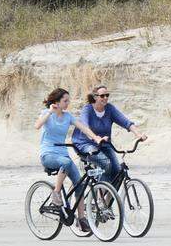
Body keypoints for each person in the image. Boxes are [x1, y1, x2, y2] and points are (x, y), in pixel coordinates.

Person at [36, 88, 107, 234]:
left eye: (68, 100)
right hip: (48, 154)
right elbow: (37, 126)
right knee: (66, 163)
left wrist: (97, 138)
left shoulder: (68, 117)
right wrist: (50, 111)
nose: (68, 103)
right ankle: (56, 194)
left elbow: (84, 128)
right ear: (56, 102)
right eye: (65, 101)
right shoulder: (46, 114)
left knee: (79, 184)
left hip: (63, 155)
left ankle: (81, 219)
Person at [72, 86, 147, 186]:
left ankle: (109, 199)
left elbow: (126, 122)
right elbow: (85, 127)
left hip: (104, 144)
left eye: (107, 95)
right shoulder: (88, 109)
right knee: (106, 164)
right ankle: (100, 192)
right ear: (95, 97)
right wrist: (96, 138)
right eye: (102, 96)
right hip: (84, 143)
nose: (105, 98)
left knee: (118, 171)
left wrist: (138, 134)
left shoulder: (109, 109)